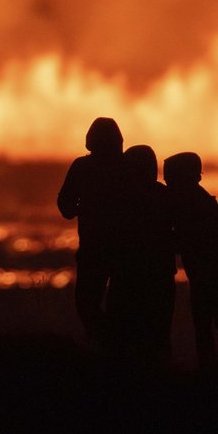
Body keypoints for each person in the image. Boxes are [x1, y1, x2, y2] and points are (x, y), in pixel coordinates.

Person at [57, 117, 125, 346]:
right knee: (119, 304)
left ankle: (101, 344)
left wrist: (82, 207)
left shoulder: (82, 166)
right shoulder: (126, 167)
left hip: (93, 247)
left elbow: (65, 205)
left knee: (87, 303)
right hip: (124, 249)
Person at [106, 145, 176, 363]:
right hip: (158, 272)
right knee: (158, 329)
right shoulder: (164, 195)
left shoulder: (118, 196)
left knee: (123, 329)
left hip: (127, 271)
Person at [165, 152, 218, 371]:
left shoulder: (195, 204)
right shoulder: (193, 200)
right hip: (206, 274)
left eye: (171, 178)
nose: (167, 184)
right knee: (210, 326)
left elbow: (190, 240)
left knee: (211, 325)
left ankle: (216, 373)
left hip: (210, 275)